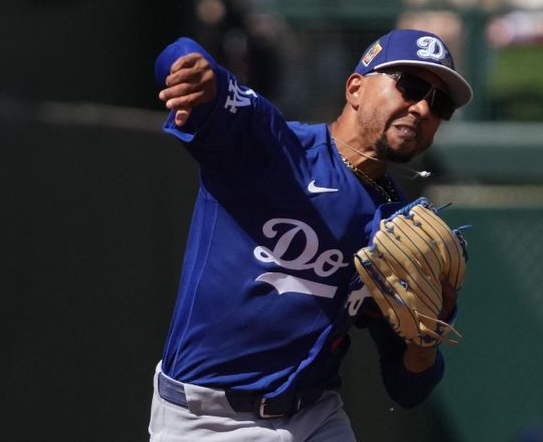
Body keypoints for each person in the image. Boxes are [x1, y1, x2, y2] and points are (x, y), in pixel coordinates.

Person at [149, 28, 472, 440]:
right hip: (208, 419)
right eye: (409, 86)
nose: (423, 108)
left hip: (315, 417)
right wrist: (191, 67)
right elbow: (181, 52)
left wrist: (426, 340)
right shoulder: (274, 145)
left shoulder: (395, 228)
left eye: (440, 103)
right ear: (356, 88)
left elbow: (407, 388)